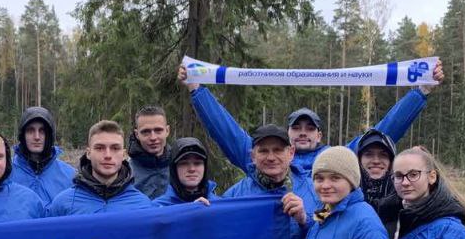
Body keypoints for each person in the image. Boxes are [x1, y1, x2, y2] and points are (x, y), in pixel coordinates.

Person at [178, 60, 444, 187]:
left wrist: (420, 91)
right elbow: (227, 132)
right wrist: (197, 90)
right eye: (296, 128)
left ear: (320, 135)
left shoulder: (337, 159)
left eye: (309, 129)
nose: (303, 133)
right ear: (288, 135)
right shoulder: (265, 160)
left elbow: (384, 131)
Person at [11, 106, 76, 208]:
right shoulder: (5, 172)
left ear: (49, 135)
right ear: (22, 135)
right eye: (30, 130)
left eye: (42, 131)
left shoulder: (70, 176)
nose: (37, 137)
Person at [128, 104, 173, 199]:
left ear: (167, 131)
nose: (153, 137)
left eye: (158, 130)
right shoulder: (125, 173)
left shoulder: (180, 165)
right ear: (137, 134)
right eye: (146, 132)